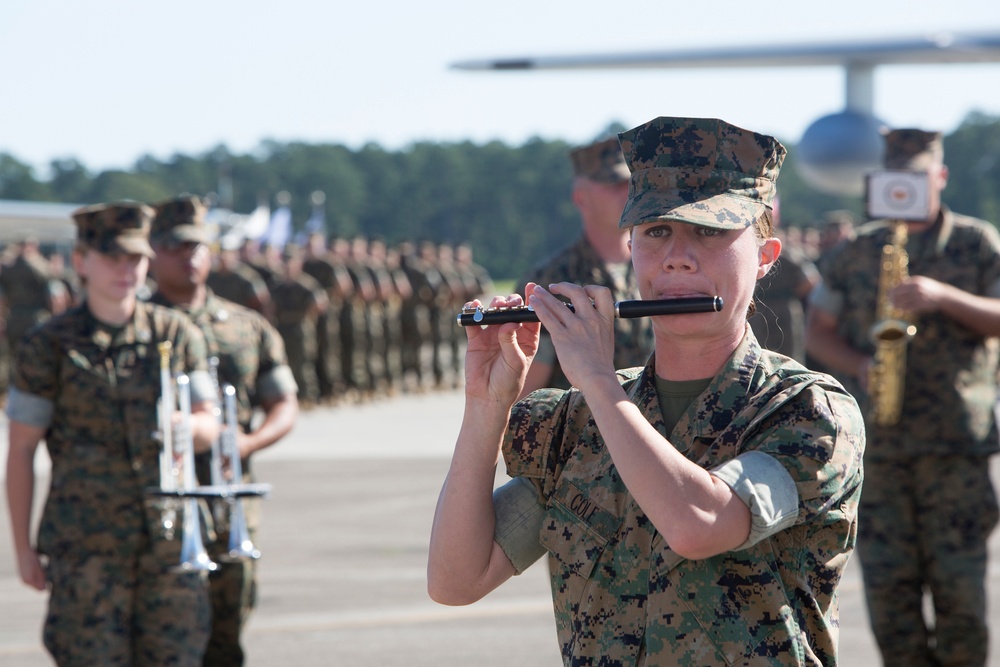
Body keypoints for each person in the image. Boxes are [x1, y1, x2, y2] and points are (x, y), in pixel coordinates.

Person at [428, 116, 866, 666]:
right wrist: (487, 406)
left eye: (709, 231)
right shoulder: (577, 423)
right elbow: (456, 579)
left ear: (764, 256)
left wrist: (595, 376)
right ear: (630, 247)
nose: (677, 256)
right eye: (656, 232)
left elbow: (698, 525)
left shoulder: (806, 412)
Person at [805, 128, 1000, 667]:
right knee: (891, 599)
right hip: (880, 450)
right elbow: (818, 329)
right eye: (896, 178)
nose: (906, 188)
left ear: (940, 176)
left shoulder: (977, 241)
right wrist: (861, 364)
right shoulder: (858, 249)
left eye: (916, 177)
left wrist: (944, 297)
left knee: (961, 599)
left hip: (955, 448)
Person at [4, 201, 220, 666]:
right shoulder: (49, 344)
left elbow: (211, 423)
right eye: (113, 258)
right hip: (87, 553)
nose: (127, 269)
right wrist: (23, 548)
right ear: (81, 261)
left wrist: (188, 426)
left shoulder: (177, 334)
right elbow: (21, 449)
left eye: (136, 258)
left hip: (169, 549)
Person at [148, 195, 299, 666]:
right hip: (156, 498)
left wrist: (249, 442)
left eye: (197, 246)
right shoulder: (132, 325)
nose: (188, 256)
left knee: (228, 627)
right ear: (151, 252)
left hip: (229, 494)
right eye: (174, 246)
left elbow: (283, 402)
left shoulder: (246, 325)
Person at [516, 136, 652, 398]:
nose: (627, 192)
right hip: (581, 433)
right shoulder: (552, 280)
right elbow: (525, 393)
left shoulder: (655, 268)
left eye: (632, 183)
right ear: (581, 198)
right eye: (614, 184)